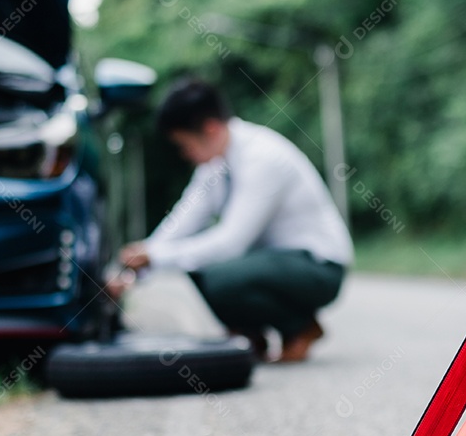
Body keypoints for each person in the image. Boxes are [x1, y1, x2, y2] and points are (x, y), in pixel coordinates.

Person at [117, 78, 352, 362]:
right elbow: (181, 223)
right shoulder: (215, 164)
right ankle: (252, 337)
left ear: (211, 129)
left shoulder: (262, 157)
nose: (185, 155)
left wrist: (154, 256)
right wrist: (131, 271)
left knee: (218, 278)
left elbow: (231, 243)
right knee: (197, 270)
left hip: (319, 266)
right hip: (273, 262)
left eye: (184, 145)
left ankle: (299, 327)